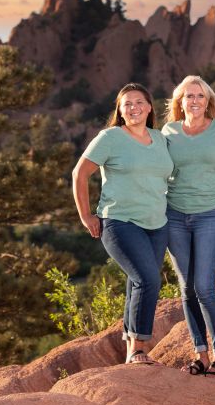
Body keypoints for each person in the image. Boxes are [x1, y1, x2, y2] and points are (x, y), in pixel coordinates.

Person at [72, 83, 174, 365]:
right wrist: (86, 216)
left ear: (150, 107)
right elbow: (79, 174)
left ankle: (131, 346)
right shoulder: (111, 137)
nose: (134, 108)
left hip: (157, 224)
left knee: (137, 282)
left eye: (139, 102)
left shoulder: (160, 138)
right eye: (127, 104)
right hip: (119, 221)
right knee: (148, 279)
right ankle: (139, 350)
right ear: (119, 110)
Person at [161, 75, 215, 379]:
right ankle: (199, 353)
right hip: (175, 215)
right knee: (187, 288)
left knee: (204, 285)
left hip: (210, 215)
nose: (194, 101)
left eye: (200, 96)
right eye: (188, 96)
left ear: (208, 102)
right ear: (180, 102)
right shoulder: (169, 132)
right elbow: (153, 169)